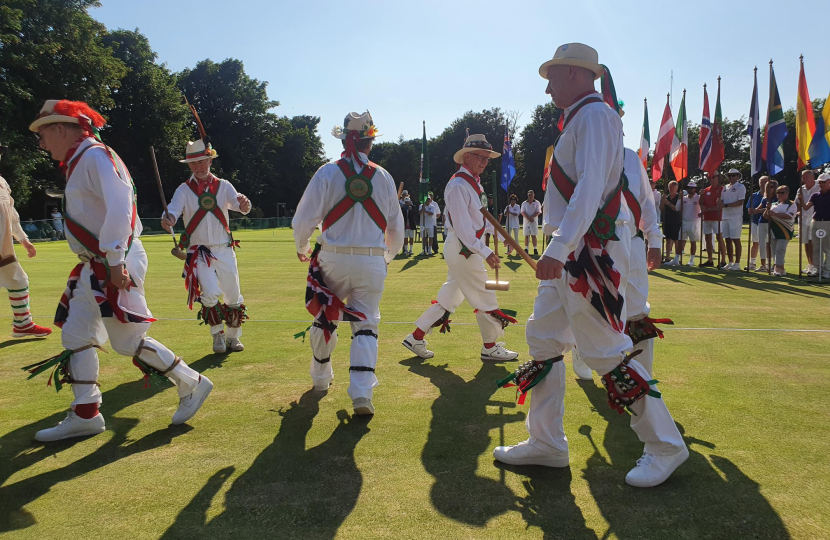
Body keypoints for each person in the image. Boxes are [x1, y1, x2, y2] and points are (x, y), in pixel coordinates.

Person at [493, 44, 686, 488]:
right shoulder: (583, 119)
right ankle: (546, 443)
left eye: (553, 76)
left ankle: (665, 446)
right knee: (542, 337)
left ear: (577, 74)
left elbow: (592, 189)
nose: (547, 87)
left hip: (586, 253)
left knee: (604, 350)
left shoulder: (596, 116)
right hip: (576, 250)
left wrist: (559, 248)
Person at [27, 99, 211, 441]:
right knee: (76, 335)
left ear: (61, 129)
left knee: (128, 341)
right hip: (95, 263)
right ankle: (86, 413)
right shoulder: (82, 161)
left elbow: (121, 204)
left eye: (43, 133)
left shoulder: (95, 156)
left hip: (115, 260)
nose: (41, 142)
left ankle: (191, 382)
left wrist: (115, 261)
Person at [292, 111, 404, 416]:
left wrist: (302, 246)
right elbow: (396, 230)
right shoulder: (383, 176)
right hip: (371, 261)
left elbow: (303, 220)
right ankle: (361, 393)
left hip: (332, 258)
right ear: (371, 142)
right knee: (366, 326)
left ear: (344, 139)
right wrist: (385, 258)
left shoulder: (327, 172)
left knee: (325, 316)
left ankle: (320, 377)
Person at [403, 134, 519, 362]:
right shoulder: (458, 185)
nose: (485, 162)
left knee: (449, 297)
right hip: (464, 249)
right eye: (480, 157)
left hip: (464, 248)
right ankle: (490, 346)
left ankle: (416, 337)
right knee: (485, 295)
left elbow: (480, 220)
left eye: (487, 158)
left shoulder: (474, 183)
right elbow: (464, 230)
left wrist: (500, 235)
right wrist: (486, 252)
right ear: (466, 157)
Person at [162, 140, 251, 354]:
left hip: (224, 248)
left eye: (202, 162)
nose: (198, 167)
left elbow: (239, 205)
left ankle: (233, 337)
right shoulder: (184, 190)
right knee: (210, 293)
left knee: (232, 293)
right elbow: (172, 210)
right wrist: (168, 219)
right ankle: (217, 335)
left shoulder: (224, 186)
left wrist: (245, 206)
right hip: (199, 252)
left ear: (210, 161)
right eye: (193, 164)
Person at [0, 142, 52, 338]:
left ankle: (22, 324)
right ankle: (23, 323)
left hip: (3, 247)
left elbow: (11, 214)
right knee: (17, 279)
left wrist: (23, 239)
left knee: (18, 280)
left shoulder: (2, 182)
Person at [764, 184, 796, 277]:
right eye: (778, 193)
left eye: (782, 193)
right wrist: (767, 209)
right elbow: (766, 216)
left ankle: (777, 268)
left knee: (780, 250)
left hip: (785, 230)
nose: (780, 195)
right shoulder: (774, 204)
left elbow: (789, 216)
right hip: (773, 230)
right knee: (774, 250)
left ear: (787, 194)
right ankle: (780, 268)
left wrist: (774, 214)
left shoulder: (791, 204)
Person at [803, 173, 830, 278]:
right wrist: (800, 199)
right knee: (816, 248)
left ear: (829, 182)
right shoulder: (815, 195)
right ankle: (818, 269)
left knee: (827, 248)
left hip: (828, 222)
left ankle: (827, 270)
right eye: (820, 182)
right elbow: (806, 208)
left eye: (823, 182)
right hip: (816, 221)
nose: (821, 184)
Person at [719, 168, 747, 270]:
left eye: (733, 175)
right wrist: (720, 203)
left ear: (738, 176)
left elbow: (740, 202)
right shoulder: (725, 187)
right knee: (727, 239)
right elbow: (721, 201)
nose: (731, 177)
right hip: (725, 216)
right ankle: (730, 262)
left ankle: (737, 263)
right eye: (729, 176)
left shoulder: (741, 186)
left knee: (736, 239)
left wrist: (725, 205)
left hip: (735, 216)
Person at [797, 170, 820, 276]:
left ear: (812, 177)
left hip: (815, 219)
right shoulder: (800, 190)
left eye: (806, 177)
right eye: (803, 178)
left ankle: (816, 265)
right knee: (806, 242)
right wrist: (798, 211)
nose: (804, 180)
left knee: (814, 242)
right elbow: (797, 204)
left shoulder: (819, 186)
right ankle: (810, 264)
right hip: (803, 219)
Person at [700, 172, 725, 267]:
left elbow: (722, 204)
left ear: (718, 177)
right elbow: (701, 203)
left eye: (713, 177)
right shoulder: (706, 190)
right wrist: (701, 196)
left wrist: (711, 209)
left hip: (717, 218)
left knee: (719, 238)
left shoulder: (722, 189)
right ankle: (710, 260)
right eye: (709, 177)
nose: (711, 179)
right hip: (707, 217)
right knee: (707, 239)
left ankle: (723, 261)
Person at [745, 176, 768, 271]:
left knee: (767, 243)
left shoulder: (772, 196)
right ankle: (752, 263)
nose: (763, 184)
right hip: (755, 222)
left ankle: (767, 264)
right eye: (761, 182)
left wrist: (757, 211)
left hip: (767, 222)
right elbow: (748, 209)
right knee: (755, 243)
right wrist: (750, 211)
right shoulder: (754, 195)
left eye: (765, 182)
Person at [679, 181, 701, 266]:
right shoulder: (684, 198)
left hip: (693, 222)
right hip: (684, 221)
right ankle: (677, 258)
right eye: (688, 188)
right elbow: (678, 208)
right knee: (681, 241)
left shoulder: (698, 197)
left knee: (693, 241)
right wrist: (679, 199)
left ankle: (691, 260)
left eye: (691, 188)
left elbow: (702, 206)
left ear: (695, 189)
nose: (689, 189)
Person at [661, 180, 682, 266]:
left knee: (676, 239)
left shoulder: (679, 198)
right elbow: (661, 208)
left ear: (677, 188)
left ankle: (677, 258)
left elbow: (676, 208)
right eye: (670, 187)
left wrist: (668, 203)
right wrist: (663, 201)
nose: (671, 189)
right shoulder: (667, 197)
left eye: (673, 187)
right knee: (668, 239)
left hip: (676, 220)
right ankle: (668, 257)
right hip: (667, 220)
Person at [522, 190, 542, 255]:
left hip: (534, 221)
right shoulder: (524, 203)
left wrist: (532, 217)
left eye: (531, 194)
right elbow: (522, 212)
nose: (530, 196)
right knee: (526, 235)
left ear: (534, 195)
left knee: (533, 235)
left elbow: (538, 211)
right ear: (527, 195)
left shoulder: (537, 203)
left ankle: (535, 249)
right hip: (526, 221)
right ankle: (526, 248)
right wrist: (528, 217)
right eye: (529, 194)